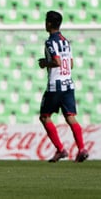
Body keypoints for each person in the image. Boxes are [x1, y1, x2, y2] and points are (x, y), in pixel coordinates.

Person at [38, 10, 89, 162]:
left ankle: (60, 150)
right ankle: (81, 149)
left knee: (45, 117)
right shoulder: (65, 41)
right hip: (68, 84)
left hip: (56, 86)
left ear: (48, 23)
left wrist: (44, 63)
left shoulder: (49, 42)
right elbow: (70, 64)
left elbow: (57, 62)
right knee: (70, 117)